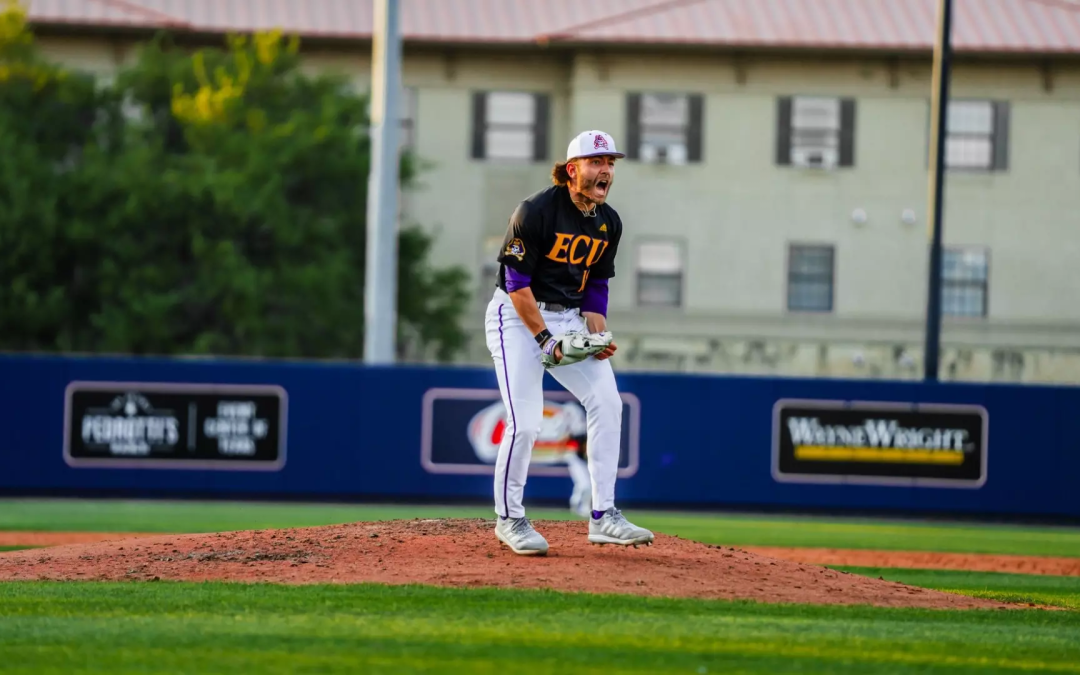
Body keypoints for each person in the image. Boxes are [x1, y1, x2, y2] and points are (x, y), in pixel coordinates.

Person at [484, 129, 654, 556]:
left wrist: (597, 337)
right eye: (598, 162)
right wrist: (545, 340)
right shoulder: (535, 211)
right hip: (517, 317)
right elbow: (516, 284)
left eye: (611, 163)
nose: (606, 171)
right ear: (572, 169)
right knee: (524, 422)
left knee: (608, 402)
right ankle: (510, 518)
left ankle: (604, 516)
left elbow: (596, 287)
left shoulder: (608, 221)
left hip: (569, 318)